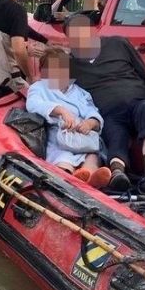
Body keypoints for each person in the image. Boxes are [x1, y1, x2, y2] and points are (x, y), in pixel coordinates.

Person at [65, 14, 145, 193]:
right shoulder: (71, 64)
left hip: (138, 101)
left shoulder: (118, 44)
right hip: (108, 113)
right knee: (115, 132)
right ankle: (118, 173)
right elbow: (55, 86)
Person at [26, 46, 111, 188]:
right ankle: (66, 177)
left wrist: (90, 123)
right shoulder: (39, 88)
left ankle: (89, 178)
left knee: (93, 155)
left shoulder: (79, 92)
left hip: (83, 137)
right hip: (59, 136)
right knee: (63, 157)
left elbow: (92, 111)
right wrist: (61, 111)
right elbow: (33, 104)